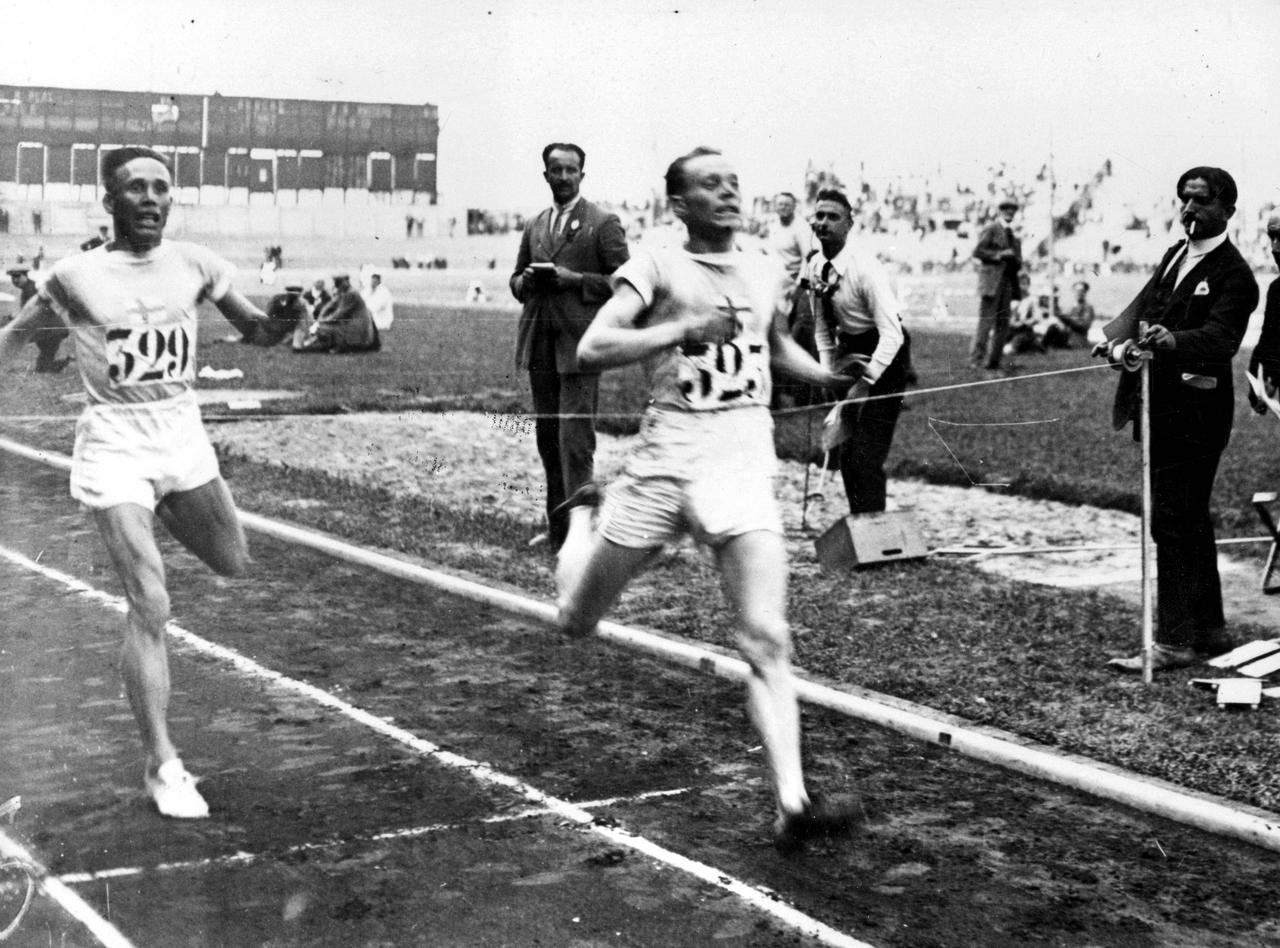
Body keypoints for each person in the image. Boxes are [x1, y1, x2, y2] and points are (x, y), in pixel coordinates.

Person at [555, 148, 863, 854]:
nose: (726, 193)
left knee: (767, 637)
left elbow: (773, 343)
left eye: (732, 182)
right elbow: (594, 348)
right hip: (666, 460)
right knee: (576, 620)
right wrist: (680, 330)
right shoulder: (656, 265)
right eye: (708, 187)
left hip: (741, 460)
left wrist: (826, 377)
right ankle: (579, 522)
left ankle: (793, 801)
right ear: (680, 205)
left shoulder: (762, 266)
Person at [0, 146, 287, 817]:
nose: (152, 199)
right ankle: (163, 763)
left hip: (181, 438)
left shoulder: (194, 263)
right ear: (110, 201)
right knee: (151, 602)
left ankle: (148, 519)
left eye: (162, 187)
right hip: (115, 444)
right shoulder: (75, 276)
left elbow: (258, 332)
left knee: (233, 561)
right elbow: (14, 337)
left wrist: (287, 320)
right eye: (136, 188)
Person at [1098, 166, 1259, 673]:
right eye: (1184, 201)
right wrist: (1115, 341)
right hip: (1159, 406)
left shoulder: (1235, 274)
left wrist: (1175, 342)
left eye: (1201, 202)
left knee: (1173, 521)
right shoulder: (1174, 255)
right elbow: (1146, 308)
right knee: (1188, 519)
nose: (1189, 211)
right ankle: (1208, 629)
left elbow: (1221, 340)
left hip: (1197, 413)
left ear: (1227, 209)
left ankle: (1173, 639)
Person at [510, 142, 629, 550]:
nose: (563, 177)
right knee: (548, 438)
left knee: (575, 441)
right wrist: (525, 281)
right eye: (556, 170)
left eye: (571, 170)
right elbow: (515, 281)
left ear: (582, 174)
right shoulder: (535, 224)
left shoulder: (603, 222)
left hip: (581, 346)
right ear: (545, 175)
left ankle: (582, 536)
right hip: (540, 340)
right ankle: (558, 529)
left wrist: (574, 279)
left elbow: (625, 285)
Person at [801, 189, 911, 514]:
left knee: (867, 452)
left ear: (849, 224)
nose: (823, 223)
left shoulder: (865, 268)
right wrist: (826, 374)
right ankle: (862, 525)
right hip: (850, 353)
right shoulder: (814, 266)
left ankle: (875, 530)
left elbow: (892, 334)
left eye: (833, 217)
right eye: (819, 215)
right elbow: (821, 328)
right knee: (845, 448)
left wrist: (866, 383)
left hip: (886, 355)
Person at [970, 197, 1022, 371]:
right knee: (986, 322)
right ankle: (976, 360)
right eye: (1006, 209)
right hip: (992, 282)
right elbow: (978, 251)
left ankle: (994, 360)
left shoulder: (1013, 236)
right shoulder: (992, 228)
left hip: (1007, 283)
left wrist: (1015, 259)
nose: (1010, 212)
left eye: (1012, 210)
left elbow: (1018, 262)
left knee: (1003, 323)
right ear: (1001, 211)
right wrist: (999, 255)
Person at [1247, 213, 1280, 411]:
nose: (1275, 248)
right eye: (1272, 237)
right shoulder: (1277, 290)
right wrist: (1259, 388)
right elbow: (1269, 341)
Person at [8, 266, 69, 373]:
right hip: (48, 329)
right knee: (44, 363)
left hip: (51, 330)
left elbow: (33, 312)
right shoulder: (29, 287)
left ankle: (67, 360)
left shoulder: (30, 289)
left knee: (43, 366)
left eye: (17, 277)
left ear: (25, 276)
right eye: (12, 278)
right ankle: (65, 361)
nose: (15, 280)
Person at [300, 273, 380, 353]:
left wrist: (320, 322)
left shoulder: (351, 294)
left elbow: (339, 314)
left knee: (323, 328)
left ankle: (341, 347)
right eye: (336, 283)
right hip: (353, 328)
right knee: (322, 327)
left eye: (338, 283)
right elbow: (328, 306)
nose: (337, 285)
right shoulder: (344, 292)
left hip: (358, 332)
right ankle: (321, 345)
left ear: (345, 282)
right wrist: (320, 319)